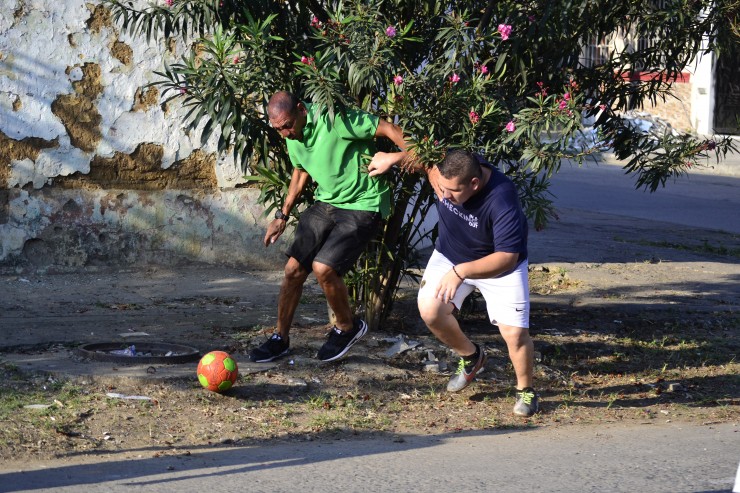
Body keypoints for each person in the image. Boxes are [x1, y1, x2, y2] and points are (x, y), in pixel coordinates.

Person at [250, 91, 407, 363]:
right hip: (327, 203)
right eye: (279, 129)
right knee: (293, 270)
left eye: (287, 125)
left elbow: (388, 128)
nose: (285, 133)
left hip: (363, 203)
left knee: (324, 269)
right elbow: (300, 172)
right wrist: (282, 214)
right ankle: (280, 339)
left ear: (301, 109)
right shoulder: (291, 134)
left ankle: (348, 326)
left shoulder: (334, 118)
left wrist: (406, 156)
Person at [416, 149, 539, 416]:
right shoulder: (448, 172)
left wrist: (461, 272)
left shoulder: (502, 198)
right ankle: (472, 357)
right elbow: (421, 157)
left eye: (452, 191)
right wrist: (393, 158)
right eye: (442, 188)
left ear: (474, 183)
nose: (444, 196)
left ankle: (526, 391)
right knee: (430, 309)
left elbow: (507, 257)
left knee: (515, 335)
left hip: (497, 266)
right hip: (450, 255)